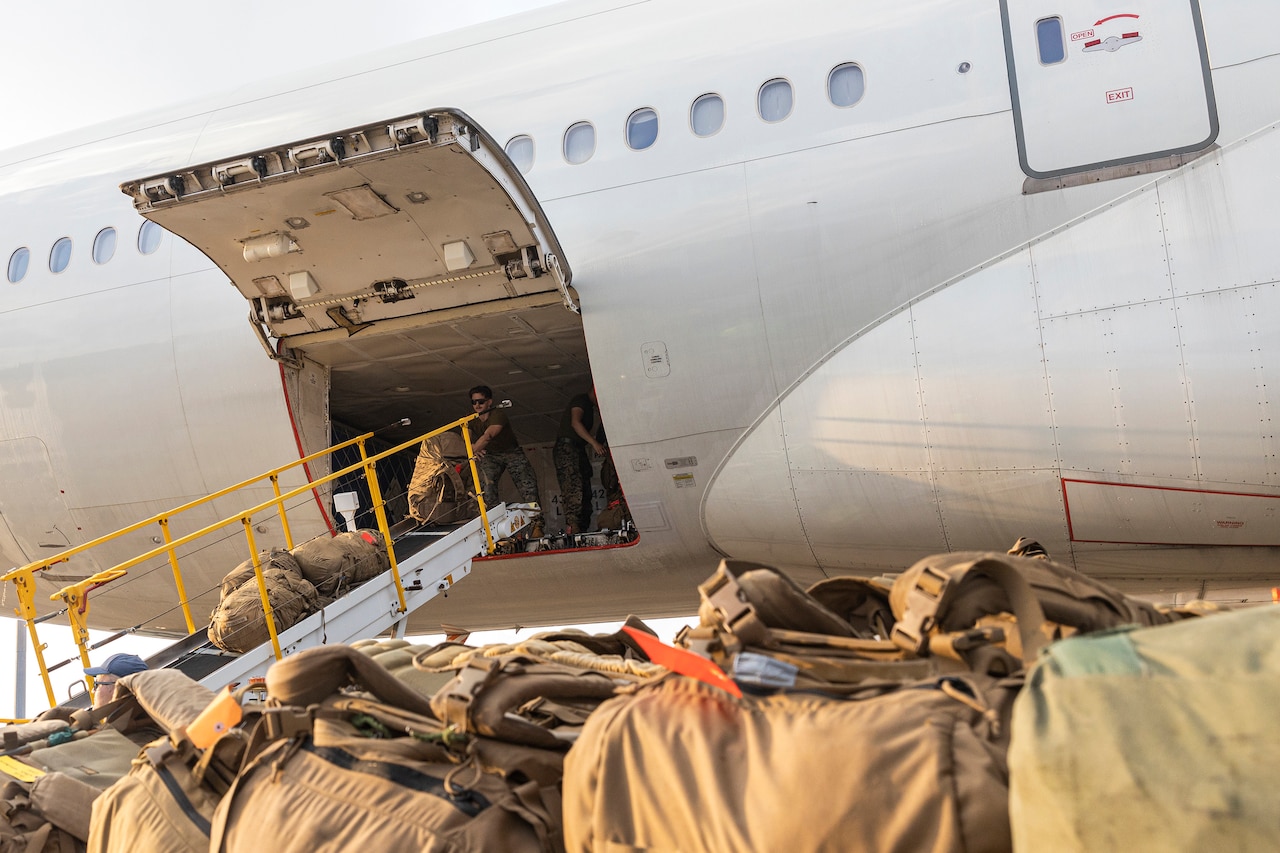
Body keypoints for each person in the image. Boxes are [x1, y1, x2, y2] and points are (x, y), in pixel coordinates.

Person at [465, 386, 542, 519]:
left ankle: (537, 524)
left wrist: (473, 449)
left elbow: (488, 435)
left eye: (481, 401)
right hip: (490, 455)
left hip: (511, 452)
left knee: (528, 488)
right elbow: (464, 436)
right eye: (474, 402)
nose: (477, 405)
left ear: (489, 402)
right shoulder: (471, 418)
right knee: (486, 489)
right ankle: (494, 522)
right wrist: (471, 448)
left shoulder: (498, 414)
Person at [554, 389, 605, 534]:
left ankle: (582, 527)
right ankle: (574, 526)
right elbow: (575, 423)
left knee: (584, 487)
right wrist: (594, 443)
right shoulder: (581, 399)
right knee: (572, 487)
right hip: (567, 448)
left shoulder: (588, 405)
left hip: (578, 449)